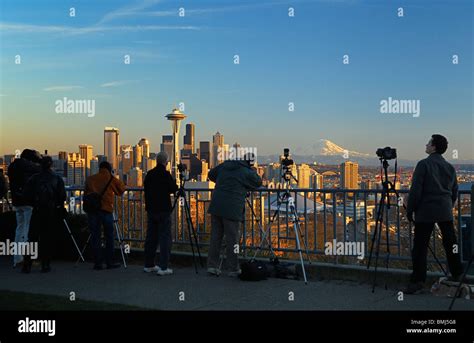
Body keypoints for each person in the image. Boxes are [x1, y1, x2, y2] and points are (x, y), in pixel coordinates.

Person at [405, 134, 463, 294]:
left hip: (426, 211)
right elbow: (454, 192)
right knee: (451, 243)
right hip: (445, 210)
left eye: (428, 143)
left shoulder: (423, 165)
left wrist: (410, 209)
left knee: (420, 247)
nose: (426, 144)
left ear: (434, 147)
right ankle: (457, 272)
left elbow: (416, 190)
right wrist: (448, 205)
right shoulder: (450, 167)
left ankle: (417, 281)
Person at [206, 153, 262, 276]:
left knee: (216, 237)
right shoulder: (246, 171)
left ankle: (212, 266)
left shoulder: (225, 165)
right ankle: (233, 268)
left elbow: (210, 174)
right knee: (233, 240)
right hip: (232, 208)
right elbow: (258, 182)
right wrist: (251, 171)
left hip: (216, 205)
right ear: (250, 163)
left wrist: (222, 181)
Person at [23, 156, 66, 273]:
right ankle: (45, 265)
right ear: (51, 165)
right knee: (47, 238)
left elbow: (26, 195)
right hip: (50, 211)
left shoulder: (34, 178)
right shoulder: (57, 179)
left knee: (32, 238)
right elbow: (62, 197)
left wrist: (34, 203)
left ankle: (27, 265)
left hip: (37, 211)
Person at [84, 161, 125, 270]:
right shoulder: (110, 179)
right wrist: (112, 175)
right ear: (109, 168)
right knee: (109, 236)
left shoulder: (90, 179)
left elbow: (86, 195)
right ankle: (109, 262)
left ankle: (97, 263)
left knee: (95, 236)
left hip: (93, 211)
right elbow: (121, 190)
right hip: (106, 210)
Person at [143, 152, 178, 275]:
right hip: (163, 210)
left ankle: (149, 264)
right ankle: (163, 267)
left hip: (151, 210)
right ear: (166, 162)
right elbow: (173, 188)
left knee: (151, 237)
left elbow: (145, 187)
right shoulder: (165, 174)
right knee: (165, 238)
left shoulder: (150, 174)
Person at [7, 149, 41, 267]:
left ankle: (17, 259)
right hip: (28, 202)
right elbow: (41, 170)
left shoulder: (12, 166)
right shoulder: (29, 166)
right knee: (27, 231)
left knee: (19, 229)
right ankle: (27, 260)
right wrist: (40, 160)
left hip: (17, 201)